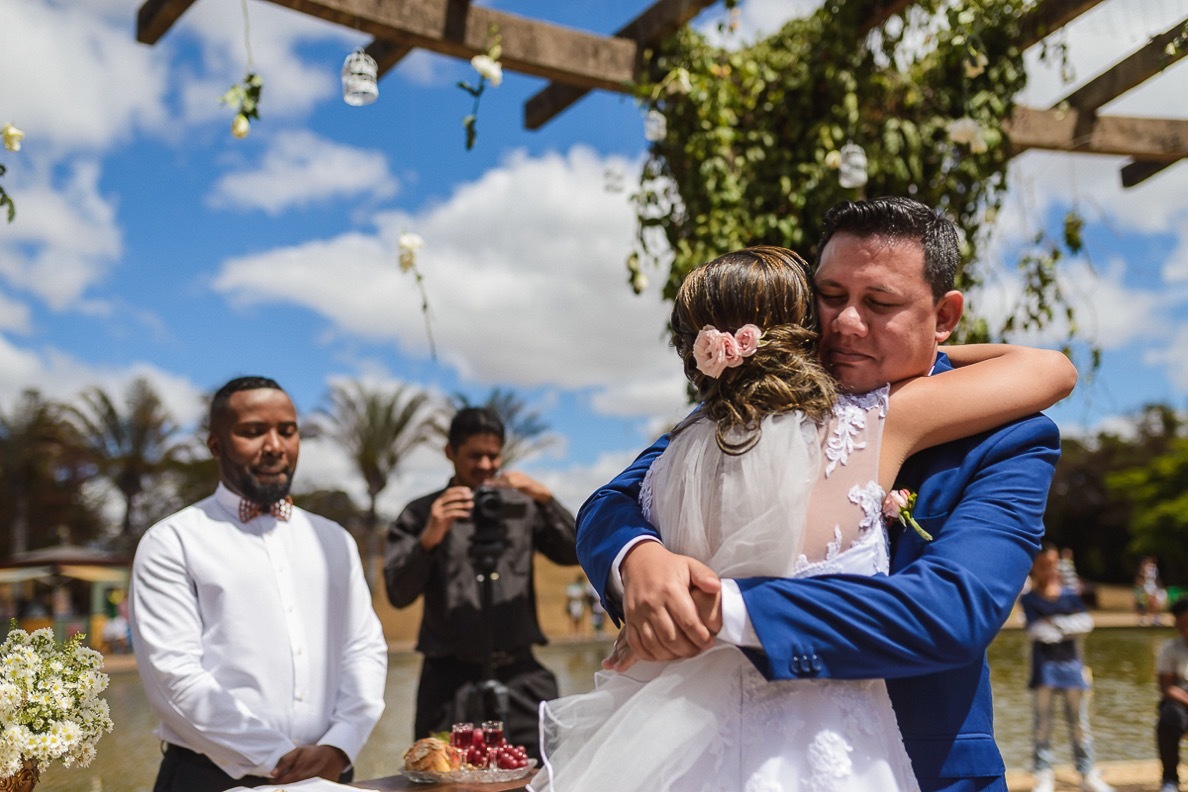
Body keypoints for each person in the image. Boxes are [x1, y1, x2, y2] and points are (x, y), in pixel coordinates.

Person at [533, 243, 1075, 791]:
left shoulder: (998, 432)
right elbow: (607, 504)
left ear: (943, 317)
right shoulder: (724, 428)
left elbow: (954, 609)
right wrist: (638, 558)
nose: (847, 324)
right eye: (831, 299)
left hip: (906, 760)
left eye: (880, 304)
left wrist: (722, 609)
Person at [129, 376, 388, 792]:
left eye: (287, 431)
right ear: (216, 445)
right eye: (253, 432)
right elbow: (173, 677)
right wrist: (275, 757)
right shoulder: (171, 541)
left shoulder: (335, 540)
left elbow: (363, 648)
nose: (275, 446)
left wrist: (341, 744)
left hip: (331, 772)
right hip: (208, 779)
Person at [384, 407, 579, 757]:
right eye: (475, 455)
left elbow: (573, 553)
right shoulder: (421, 512)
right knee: (443, 779)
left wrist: (546, 500)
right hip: (448, 682)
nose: (487, 465)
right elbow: (397, 593)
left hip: (521, 676)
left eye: (494, 455)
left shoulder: (522, 507)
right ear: (450, 453)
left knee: (536, 777)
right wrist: (428, 538)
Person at [1019, 544, 1112, 792]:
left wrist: (1056, 624)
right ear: (1034, 567)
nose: (1049, 570)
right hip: (1044, 670)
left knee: (1079, 724)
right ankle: (1043, 772)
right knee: (1042, 724)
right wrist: (1067, 626)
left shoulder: (1070, 595)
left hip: (1073, 668)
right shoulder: (1029, 599)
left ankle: (1086, 772)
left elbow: (1086, 623)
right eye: (1043, 565)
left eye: (1052, 564)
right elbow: (1036, 631)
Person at [1157, 596, 1188, 792]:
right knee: (1168, 717)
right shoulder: (1170, 648)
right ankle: (1170, 779)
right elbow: (1166, 687)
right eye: (1183, 625)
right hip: (1182, 705)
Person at [1136, 556, 1168, 626]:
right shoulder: (1146, 568)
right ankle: (1148, 619)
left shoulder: (1153, 568)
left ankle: (1154, 619)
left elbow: (1156, 579)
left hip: (1152, 587)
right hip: (1148, 587)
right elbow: (1142, 577)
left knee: (1155, 604)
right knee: (1147, 604)